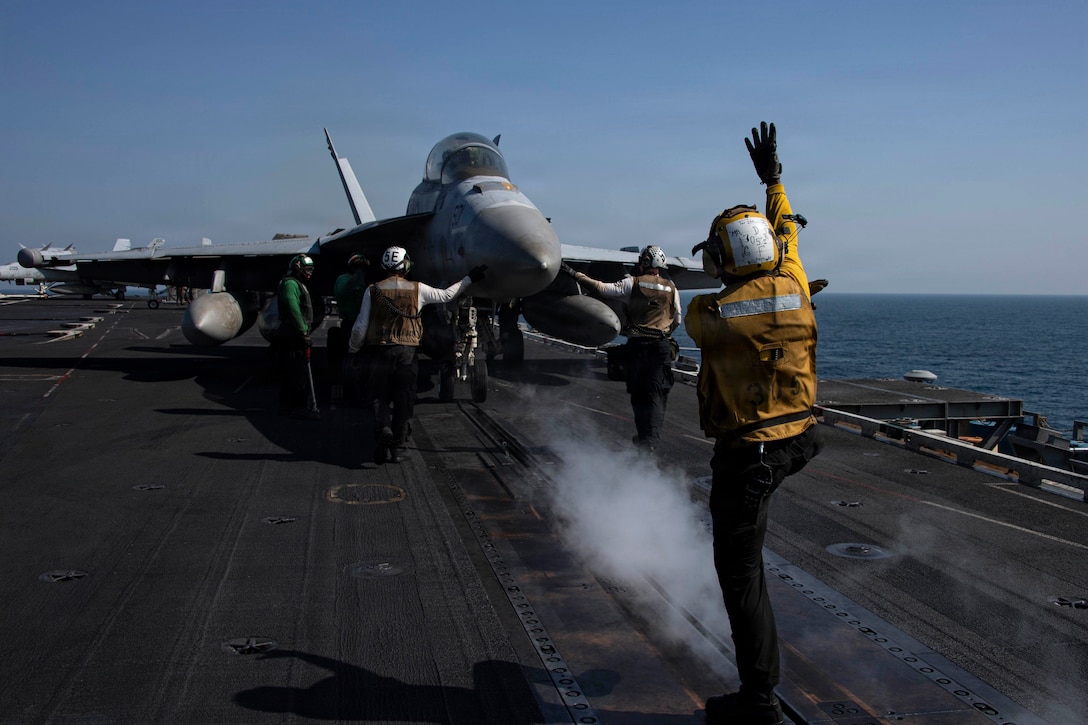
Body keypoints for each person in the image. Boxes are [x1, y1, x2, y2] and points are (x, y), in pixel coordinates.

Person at [685, 122, 824, 725]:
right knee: (747, 563)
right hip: (801, 437)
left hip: (751, 455)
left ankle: (759, 700)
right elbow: (788, 230)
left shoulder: (711, 314)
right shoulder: (795, 282)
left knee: (740, 572)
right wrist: (773, 181)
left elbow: (700, 307)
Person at [347, 246, 486, 464]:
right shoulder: (418, 289)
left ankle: (383, 428)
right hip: (407, 355)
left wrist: (353, 350)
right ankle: (399, 449)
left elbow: (359, 328)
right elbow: (447, 295)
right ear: (406, 265)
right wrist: (470, 278)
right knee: (405, 400)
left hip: (380, 353)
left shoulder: (372, 290)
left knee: (377, 396)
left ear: (384, 266)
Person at [561, 245, 681, 451]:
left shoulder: (632, 283)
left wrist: (574, 274)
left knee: (638, 393)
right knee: (657, 393)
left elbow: (601, 288)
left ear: (644, 263)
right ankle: (648, 441)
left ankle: (645, 439)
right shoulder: (671, 288)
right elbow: (677, 318)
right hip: (660, 347)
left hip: (637, 346)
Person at [277, 254, 320, 420]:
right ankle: (296, 407)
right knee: (296, 372)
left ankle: (289, 406)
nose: (309, 273)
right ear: (297, 268)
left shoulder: (296, 283)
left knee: (294, 371)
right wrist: (303, 332)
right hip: (292, 334)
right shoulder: (290, 284)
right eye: (307, 269)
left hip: (293, 332)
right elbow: (294, 308)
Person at [331, 254, 369, 402]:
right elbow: (344, 291)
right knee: (350, 359)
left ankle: (361, 391)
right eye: (360, 267)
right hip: (349, 324)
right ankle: (350, 394)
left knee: (363, 360)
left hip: (362, 323)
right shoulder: (343, 280)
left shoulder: (362, 283)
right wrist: (358, 276)